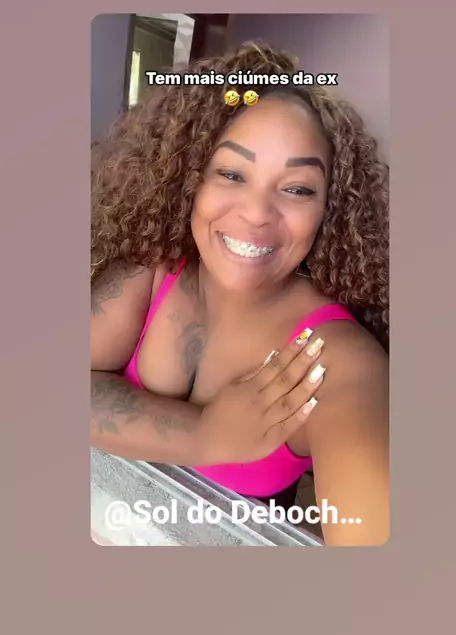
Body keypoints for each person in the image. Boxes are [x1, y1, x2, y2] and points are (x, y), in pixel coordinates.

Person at [91, 42, 389, 546]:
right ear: (188, 179)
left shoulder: (336, 362)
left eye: (297, 188)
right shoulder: (151, 270)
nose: (256, 213)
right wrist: (204, 435)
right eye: (231, 174)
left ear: (330, 209)